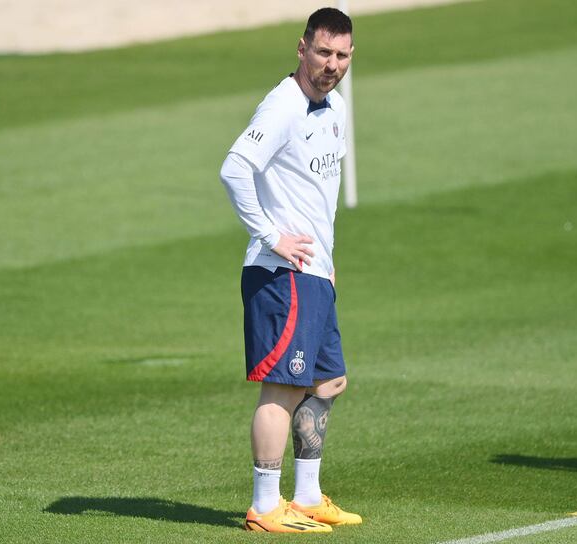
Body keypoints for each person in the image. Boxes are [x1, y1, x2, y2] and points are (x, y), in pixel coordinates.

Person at [219, 7, 362, 534]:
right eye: (323, 52)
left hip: (315, 273)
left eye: (342, 55)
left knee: (328, 381)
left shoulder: (335, 109)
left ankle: (304, 496)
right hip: (280, 275)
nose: (332, 64)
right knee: (281, 387)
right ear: (301, 48)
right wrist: (271, 235)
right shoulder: (283, 106)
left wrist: (329, 262)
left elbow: (317, 197)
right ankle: (263, 504)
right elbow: (235, 169)